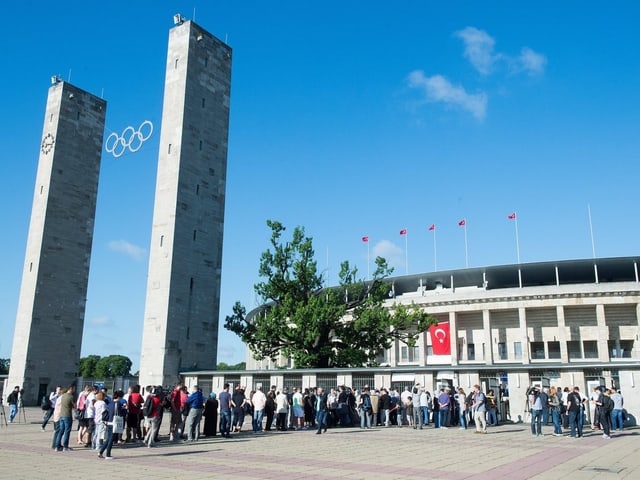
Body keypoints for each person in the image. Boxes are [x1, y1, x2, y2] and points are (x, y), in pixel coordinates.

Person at [98, 390, 124, 459]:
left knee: (109, 438)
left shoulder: (110, 402)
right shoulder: (117, 403)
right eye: (121, 397)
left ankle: (100, 452)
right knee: (111, 439)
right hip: (114, 422)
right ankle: (108, 454)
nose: (121, 399)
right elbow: (119, 413)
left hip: (109, 422)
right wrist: (124, 409)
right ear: (119, 397)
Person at [53, 384, 76, 451]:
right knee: (67, 431)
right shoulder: (71, 397)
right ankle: (65, 446)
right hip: (67, 415)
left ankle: (57, 446)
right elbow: (75, 406)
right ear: (70, 389)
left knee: (61, 431)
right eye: (73, 389)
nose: (74, 390)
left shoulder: (63, 396)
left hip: (61, 415)